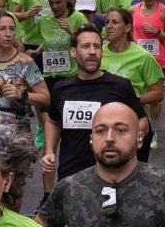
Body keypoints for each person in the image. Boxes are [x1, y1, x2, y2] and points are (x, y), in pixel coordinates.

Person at [42, 25, 147, 191]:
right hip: (72, 173)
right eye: (86, 46)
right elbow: (53, 121)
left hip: (113, 173)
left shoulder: (120, 86)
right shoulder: (61, 89)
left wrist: (127, 145)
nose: (92, 52)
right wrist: (49, 151)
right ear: (73, 52)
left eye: (97, 46)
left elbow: (142, 121)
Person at [0, 12, 48, 152]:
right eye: (2, 29)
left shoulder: (25, 62)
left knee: (17, 166)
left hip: (18, 132)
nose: (8, 34)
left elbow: (46, 98)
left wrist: (23, 95)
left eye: (12, 29)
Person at [99, 8, 165, 125]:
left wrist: (131, 100)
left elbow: (158, 93)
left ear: (127, 28)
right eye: (107, 22)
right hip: (103, 118)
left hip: (133, 120)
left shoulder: (143, 56)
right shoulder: (98, 54)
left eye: (114, 22)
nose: (109, 26)